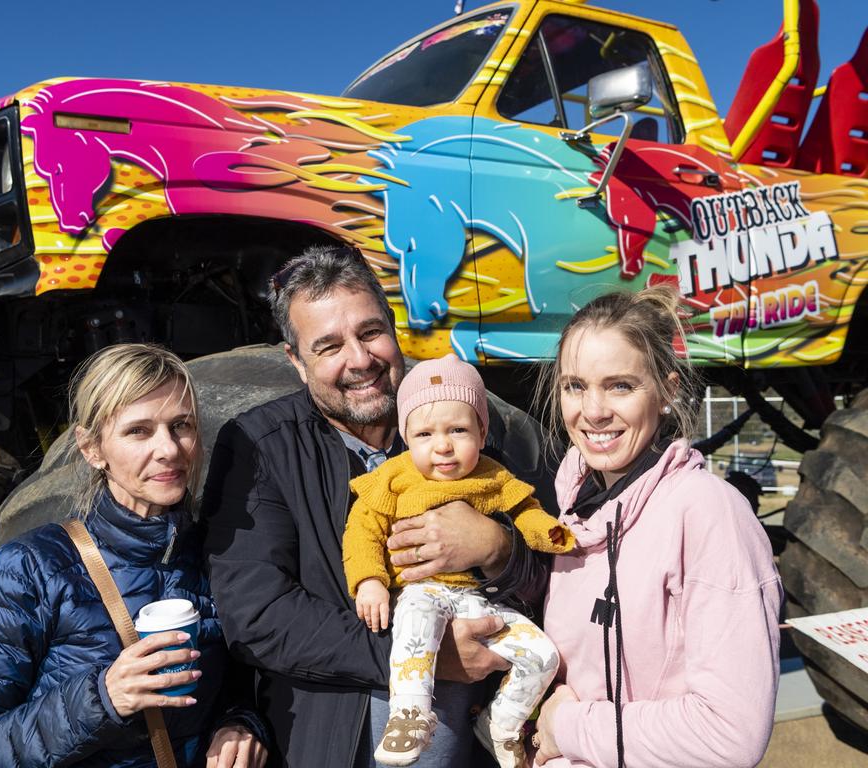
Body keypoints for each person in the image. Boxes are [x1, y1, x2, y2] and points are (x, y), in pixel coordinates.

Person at [202, 245, 554, 768]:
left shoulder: (477, 426)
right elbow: (258, 615)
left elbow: (553, 578)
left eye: (370, 333)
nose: (360, 360)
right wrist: (424, 657)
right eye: (328, 346)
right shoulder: (260, 446)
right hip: (332, 739)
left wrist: (497, 548)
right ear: (296, 362)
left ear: (394, 328)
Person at [0, 343, 267, 768]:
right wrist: (102, 698)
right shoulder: (31, 569)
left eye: (181, 425)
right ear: (92, 449)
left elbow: (244, 680)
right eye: (138, 431)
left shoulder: (217, 554)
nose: (169, 449)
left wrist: (241, 722)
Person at [530, 288, 782, 768]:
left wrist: (567, 727)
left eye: (620, 385)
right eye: (575, 386)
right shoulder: (571, 514)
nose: (594, 410)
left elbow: (729, 735)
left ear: (667, 390)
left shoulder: (708, 513)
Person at [343, 354, 575, 767]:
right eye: (425, 434)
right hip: (423, 589)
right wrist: (369, 580)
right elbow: (363, 529)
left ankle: (501, 721)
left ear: (482, 432)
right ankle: (409, 713)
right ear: (406, 437)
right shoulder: (393, 477)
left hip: (483, 602)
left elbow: (528, 513)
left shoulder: (494, 476)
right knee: (414, 623)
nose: (443, 445)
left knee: (543, 654)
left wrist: (554, 534)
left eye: (458, 429)